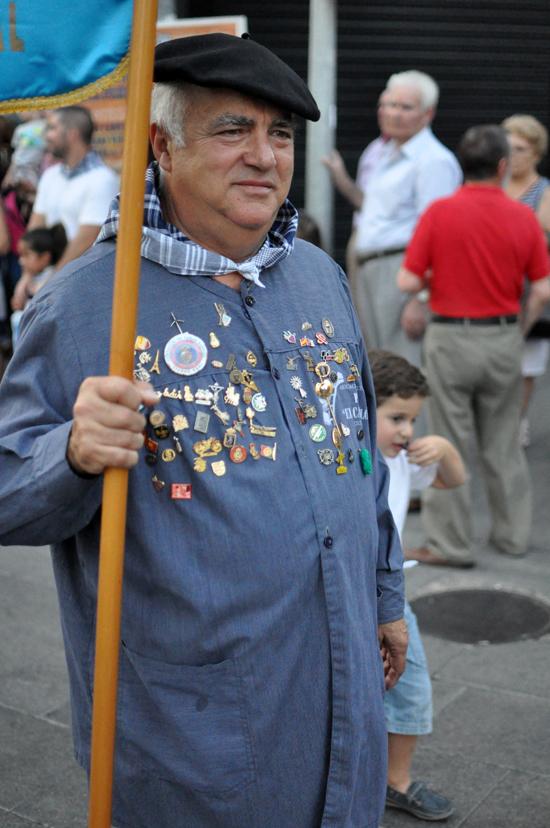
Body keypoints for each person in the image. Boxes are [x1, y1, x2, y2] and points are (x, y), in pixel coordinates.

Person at [0, 34, 408, 828]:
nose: (264, 155)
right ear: (163, 146)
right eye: (232, 130)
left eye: (280, 134)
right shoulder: (86, 303)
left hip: (345, 696)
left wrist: (386, 595)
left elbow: (358, 453)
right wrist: (71, 455)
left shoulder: (320, 277)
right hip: (196, 739)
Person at [397, 125, 550, 567]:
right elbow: (542, 289)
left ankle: (451, 544)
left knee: (446, 440)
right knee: (504, 442)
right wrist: (518, 329)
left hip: (450, 338)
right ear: (502, 166)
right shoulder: (523, 216)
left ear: (463, 164)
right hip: (502, 337)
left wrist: (433, 280)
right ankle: (513, 537)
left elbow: (406, 280)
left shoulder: (439, 212)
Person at [369, 349, 463, 822]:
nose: (407, 431)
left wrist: (444, 448)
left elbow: (453, 481)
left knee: (408, 687)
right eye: (396, 418)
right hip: (355, 597)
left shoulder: (402, 459)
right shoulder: (352, 462)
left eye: (412, 419)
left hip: (393, 597)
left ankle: (396, 782)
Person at [353, 70, 461, 364]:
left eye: (406, 107)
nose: (394, 113)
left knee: (404, 367)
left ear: (428, 114)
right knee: (380, 365)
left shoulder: (434, 161)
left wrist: (421, 298)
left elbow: (441, 236)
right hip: (372, 270)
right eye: (390, 104)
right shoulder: (385, 151)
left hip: (402, 272)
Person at [502, 114, 550, 446]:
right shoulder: (494, 183)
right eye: (508, 147)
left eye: (520, 149)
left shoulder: (544, 190)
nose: (513, 155)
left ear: (536, 154)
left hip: (529, 285)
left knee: (526, 360)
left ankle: (516, 422)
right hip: (496, 281)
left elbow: (542, 236)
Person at [28, 105, 118, 273]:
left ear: (72, 134)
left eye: (52, 128)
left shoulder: (103, 179)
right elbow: (34, 232)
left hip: (83, 280)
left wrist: (51, 281)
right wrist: (28, 275)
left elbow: (86, 241)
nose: (46, 135)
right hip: (49, 280)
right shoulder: (50, 175)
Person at [322, 90, 390, 290]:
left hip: (385, 250)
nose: (385, 112)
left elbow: (371, 206)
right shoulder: (376, 149)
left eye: (395, 106)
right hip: (363, 241)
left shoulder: (425, 157)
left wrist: (342, 180)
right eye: (382, 105)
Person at [10, 223, 67, 344]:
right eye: (20, 255)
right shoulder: (33, 277)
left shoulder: (53, 281)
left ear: (45, 257)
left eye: (27, 255)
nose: (21, 261)